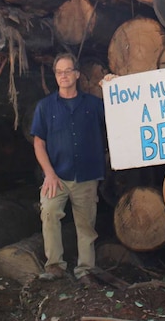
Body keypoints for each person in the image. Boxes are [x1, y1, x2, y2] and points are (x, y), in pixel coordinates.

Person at [31, 53, 106, 287]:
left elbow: (118, 117)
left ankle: (85, 270)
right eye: (59, 72)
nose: (63, 76)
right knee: (49, 213)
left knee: (86, 225)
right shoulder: (45, 107)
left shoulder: (94, 105)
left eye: (67, 71)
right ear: (56, 76)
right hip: (57, 176)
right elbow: (39, 143)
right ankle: (55, 267)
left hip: (86, 175)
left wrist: (113, 86)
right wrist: (49, 174)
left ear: (77, 74)